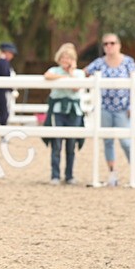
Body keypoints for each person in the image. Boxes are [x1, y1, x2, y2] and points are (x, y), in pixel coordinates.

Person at [84, 33, 135, 187]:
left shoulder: (128, 62)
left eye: (112, 43)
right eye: (106, 44)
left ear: (118, 45)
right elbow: (84, 72)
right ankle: (112, 173)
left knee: (126, 141)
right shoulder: (99, 63)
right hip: (104, 108)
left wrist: (133, 106)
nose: (109, 46)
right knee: (107, 141)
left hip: (123, 108)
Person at [43, 42, 85, 185]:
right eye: (63, 57)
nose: (65, 60)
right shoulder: (54, 70)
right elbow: (47, 76)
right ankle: (55, 175)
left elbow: (76, 88)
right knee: (56, 144)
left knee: (71, 145)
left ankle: (69, 175)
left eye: (68, 58)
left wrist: (71, 73)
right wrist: (63, 77)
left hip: (73, 112)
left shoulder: (79, 73)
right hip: (58, 110)